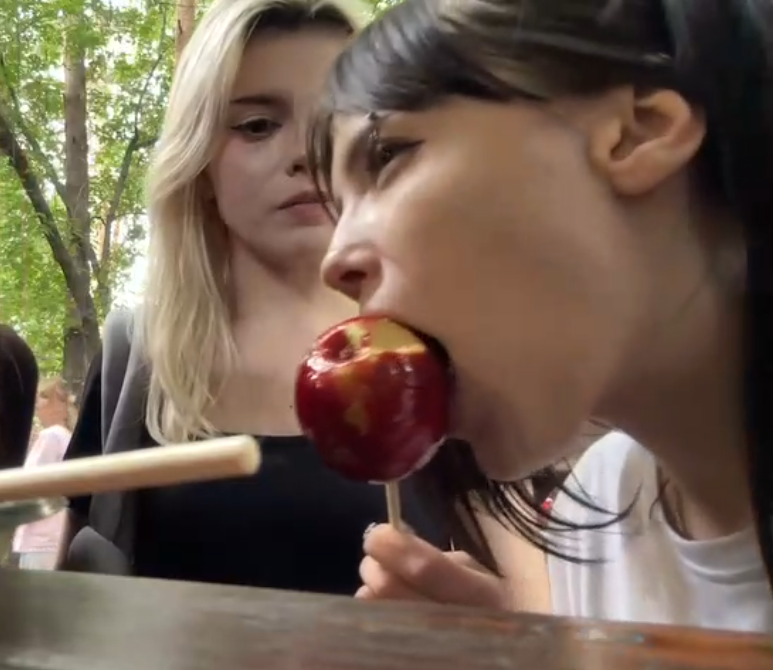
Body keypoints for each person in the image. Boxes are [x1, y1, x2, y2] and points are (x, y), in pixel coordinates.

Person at [311, 0, 773, 633]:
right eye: (337, 209)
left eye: (389, 155)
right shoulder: (603, 506)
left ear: (637, 131)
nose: (333, 262)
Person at [61, 0, 447, 592]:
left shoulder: (443, 353)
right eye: (258, 126)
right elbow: (72, 608)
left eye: (338, 121)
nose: (306, 155)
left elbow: (533, 606)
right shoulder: (137, 359)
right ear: (199, 165)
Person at [13, 378, 72, 570]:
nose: (38, 404)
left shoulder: (51, 436)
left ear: (61, 404)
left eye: (44, 397)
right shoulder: (66, 437)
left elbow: (28, 484)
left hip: (40, 538)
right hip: (55, 537)